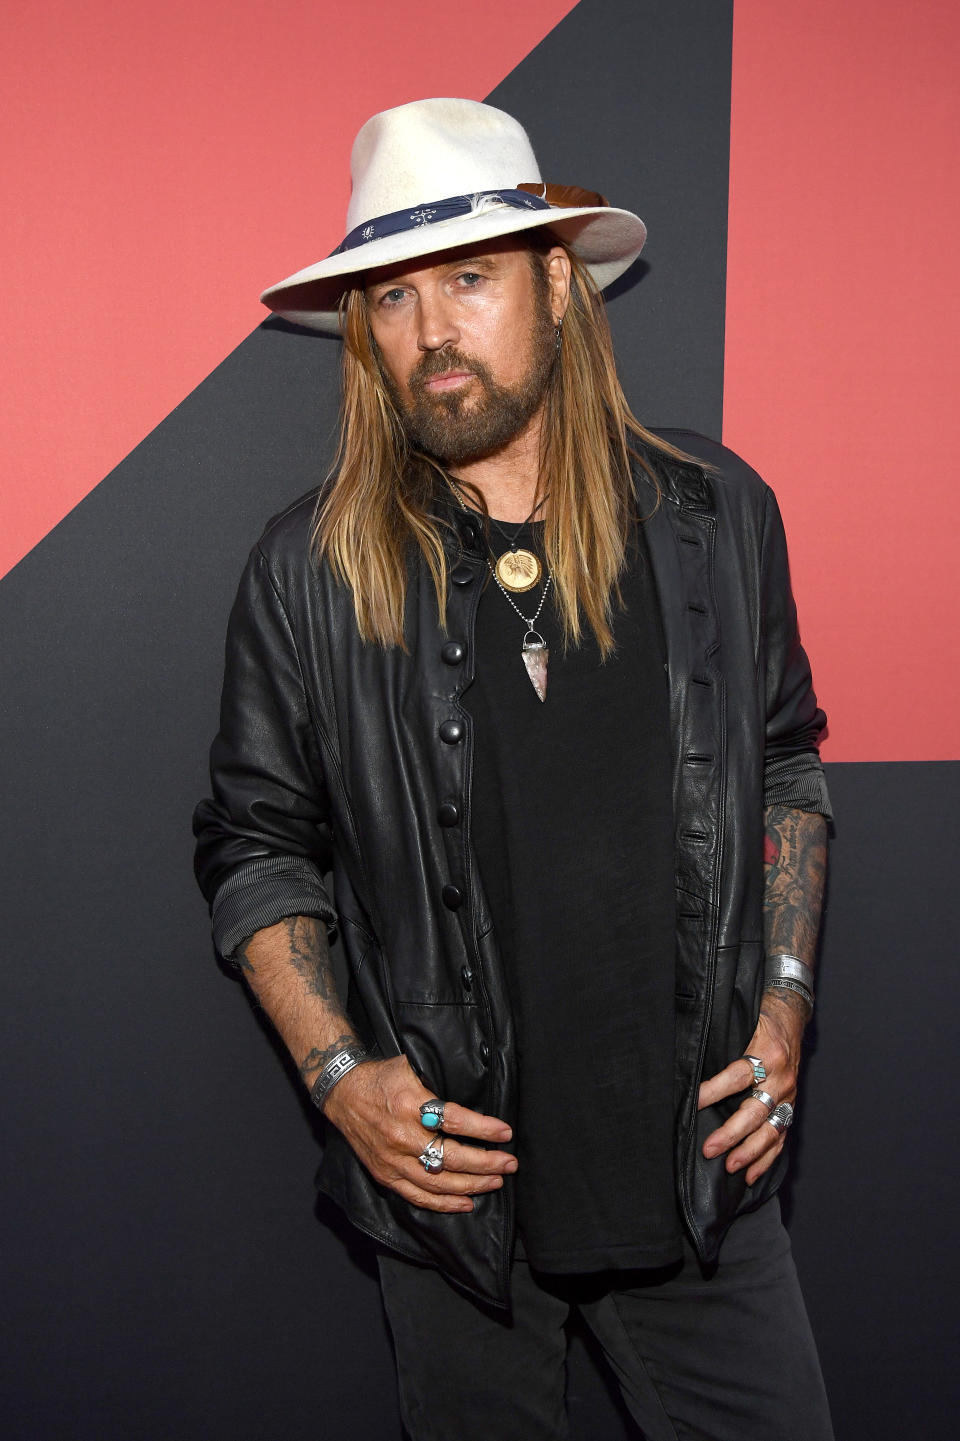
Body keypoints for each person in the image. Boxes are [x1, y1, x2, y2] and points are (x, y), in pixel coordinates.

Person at [193, 97, 834, 1440]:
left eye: (470, 278)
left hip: (697, 1188)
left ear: (557, 285)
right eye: (394, 296)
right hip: (459, 1218)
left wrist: (780, 1006)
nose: (432, 332)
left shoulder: (715, 516)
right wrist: (338, 1075)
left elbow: (785, 766)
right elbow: (257, 847)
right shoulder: (309, 570)